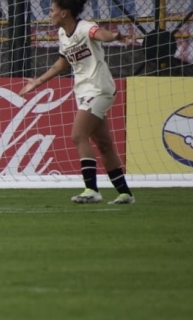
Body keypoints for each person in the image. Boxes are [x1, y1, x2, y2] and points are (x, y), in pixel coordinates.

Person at [19, 0, 134, 204]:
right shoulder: (63, 34)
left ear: (64, 13)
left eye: (52, 10)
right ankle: (125, 194)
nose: (49, 14)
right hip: (83, 91)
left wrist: (114, 36)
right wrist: (38, 81)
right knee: (104, 144)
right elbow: (62, 62)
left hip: (99, 89)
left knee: (78, 135)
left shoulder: (85, 27)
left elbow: (100, 34)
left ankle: (91, 190)